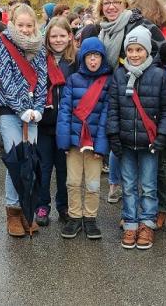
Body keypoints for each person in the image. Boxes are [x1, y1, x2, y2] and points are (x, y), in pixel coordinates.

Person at [107, 26, 166, 250]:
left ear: (147, 51)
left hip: (150, 142)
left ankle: (147, 222)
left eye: (139, 49)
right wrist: (113, 135)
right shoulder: (119, 75)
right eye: (131, 50)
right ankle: (130, 222)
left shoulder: (159, 76)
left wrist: (163, 135)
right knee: (127, 185)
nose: (134, 54)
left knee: (148, 185)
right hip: (126, 141)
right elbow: (113, 109)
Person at [0, 3, 47, 237]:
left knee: (31, 160)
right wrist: (21, 109)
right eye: (21, 25)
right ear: (13, 24)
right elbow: (6, 80)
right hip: (10, 110)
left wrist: (37, 109)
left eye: (29, 25)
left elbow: (42, 79)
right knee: (16, 159)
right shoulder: (4, 45)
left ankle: (29, 211)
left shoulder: (39, 47)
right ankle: (14, 212)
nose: (25, 30)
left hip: (33, 113)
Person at [57, 37, 110, 240]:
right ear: (83, 58)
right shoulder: (73, 80)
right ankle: (74, 217)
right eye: (89, 56)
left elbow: (106, 115)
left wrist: (102, 145)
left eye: (97, 56)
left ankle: (90, 217)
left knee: (93, 183)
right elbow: (65, 112)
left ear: (102, 58)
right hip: (74, 141)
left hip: (95, 141)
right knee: (72, 181)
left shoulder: (107, 81)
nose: (93, 61)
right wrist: (64, 141)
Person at [35, 17, 78, 227]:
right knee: (43, 167)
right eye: (54, 36)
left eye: (62, 35)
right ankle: (42, 204)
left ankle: (63, 204)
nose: (58, 40)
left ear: (70, 37)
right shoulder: (41, 60)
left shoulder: (75, 62)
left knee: (63, 168)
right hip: (45, 123)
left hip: (66, 124)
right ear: (47, 38)